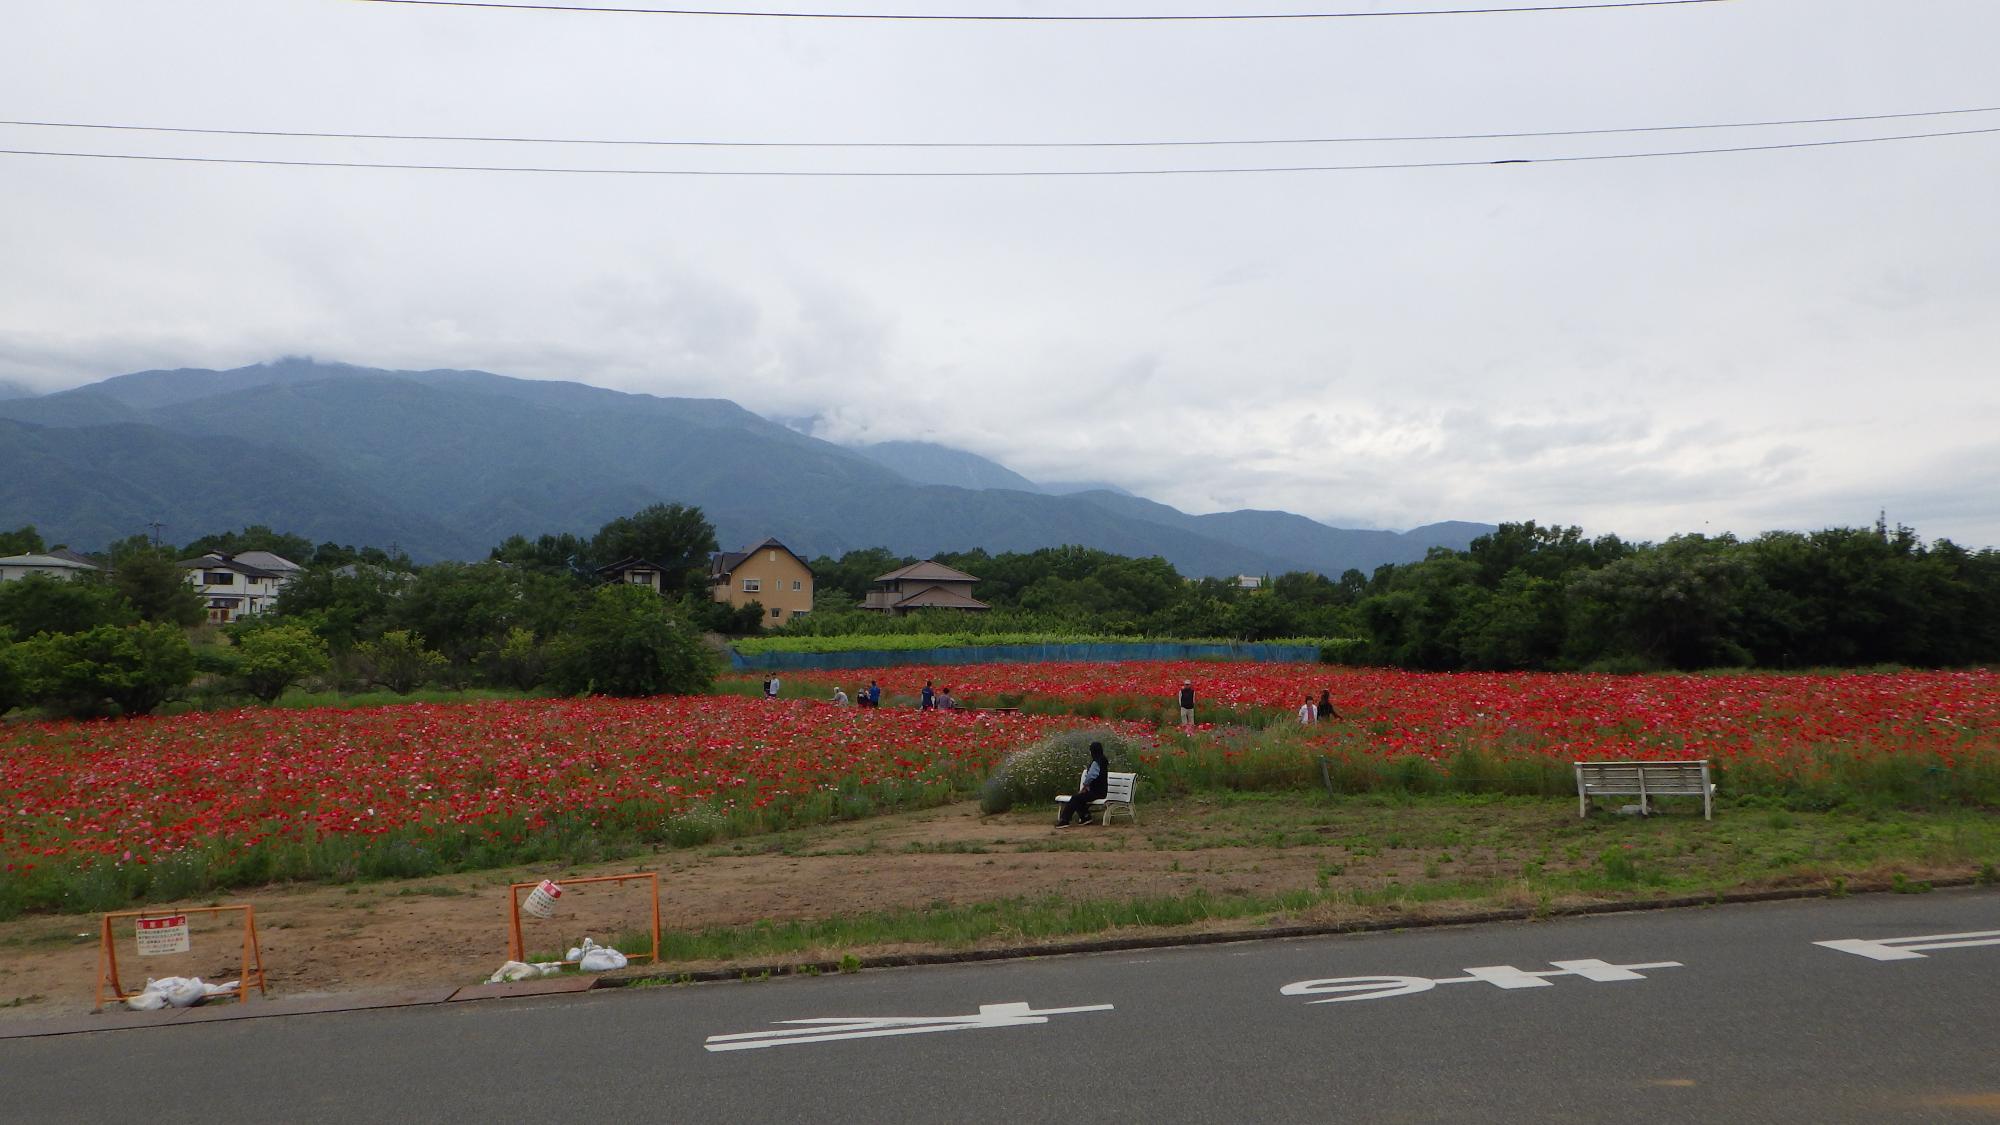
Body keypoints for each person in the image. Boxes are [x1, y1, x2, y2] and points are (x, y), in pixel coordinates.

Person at [1056, 742, 1111, 828]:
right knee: (1079, 798)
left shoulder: (1096, 762)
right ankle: (1086, 817)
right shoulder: (1103, 760)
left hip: (1096, 792)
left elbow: (1091, 776)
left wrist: (1085, 786)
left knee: (1075, 798)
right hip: (1101, 791)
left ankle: (1065, 820)